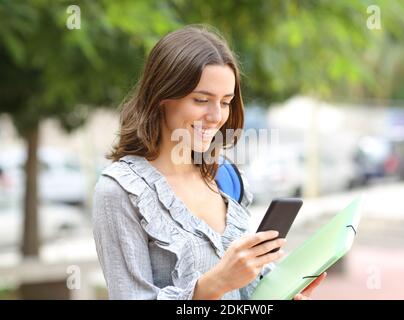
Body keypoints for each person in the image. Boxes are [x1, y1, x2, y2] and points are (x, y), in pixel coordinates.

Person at [92, 25, 326, 300]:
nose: (216, 116)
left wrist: (281, 293)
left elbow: (245, 292)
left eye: (226, 102)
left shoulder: (226, 177)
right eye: (201, 100)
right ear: (161, 98)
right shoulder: (121, 191)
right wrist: (213, 284)